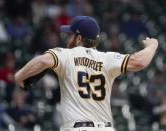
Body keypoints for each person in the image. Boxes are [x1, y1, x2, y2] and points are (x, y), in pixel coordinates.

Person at [14, 16, 158, 131]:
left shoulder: (66, 55)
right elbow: (140, 62)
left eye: (70, 34)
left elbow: (43, 61)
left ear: (78, 38)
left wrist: (19, 76)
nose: (68, 37)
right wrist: (152, 46)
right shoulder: (108, 58)